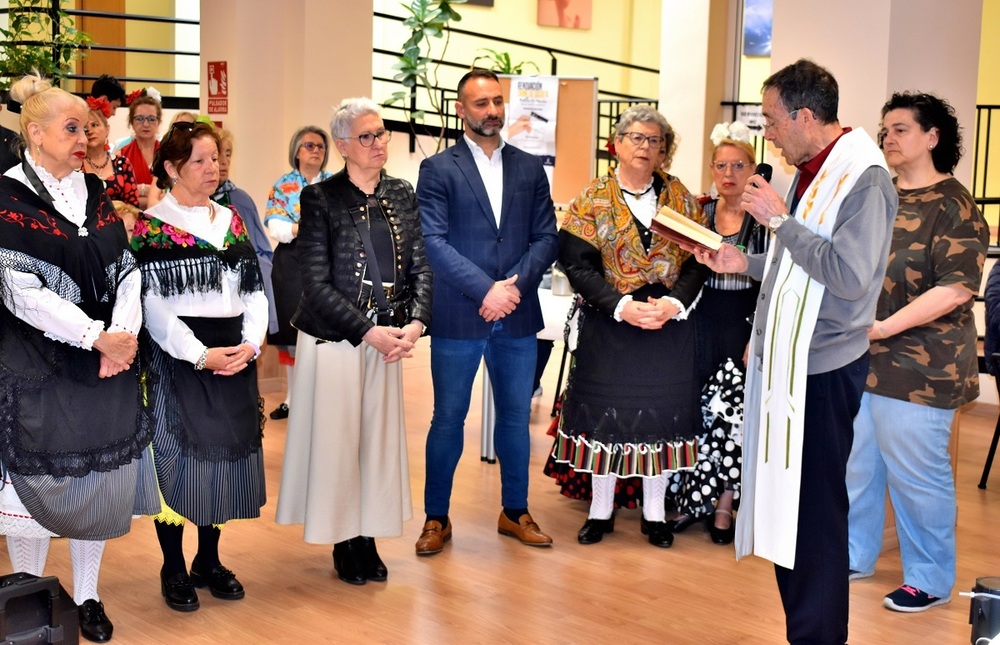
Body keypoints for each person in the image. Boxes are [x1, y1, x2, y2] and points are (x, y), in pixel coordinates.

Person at [689, 59, 897, 644]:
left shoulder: (863, 178)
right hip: (791, 361)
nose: (769, 134)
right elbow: (799, 267)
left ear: (806, 116)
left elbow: (850, 277)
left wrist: (778, 221)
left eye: (774, 120)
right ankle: (804, 631)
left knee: (814, 517)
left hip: (825, 366)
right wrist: (745, 262)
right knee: (793, 512)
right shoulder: (814, 167)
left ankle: (820, 637)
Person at [0, 74, 159, 643]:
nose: (86, 136)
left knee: (95, 487)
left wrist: (122, 335)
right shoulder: (7, 196)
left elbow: (128, 272)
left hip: (104, 370)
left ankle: (88, 596)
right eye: (74, 127)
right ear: (35, 134)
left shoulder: (94, 193)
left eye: (87, 127)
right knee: (32, 489)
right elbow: (20, 292)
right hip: (39, 370)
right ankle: (26, 596)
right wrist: (97, 336)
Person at [275, 98, 432, 585]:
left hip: (390, 339)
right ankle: (345, 539)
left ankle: (369, 533)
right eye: (366, 137)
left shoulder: (403, 193)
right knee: (339, 443)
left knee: (377, 445)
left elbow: (422, 267)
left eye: (381, 134)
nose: (378, 143)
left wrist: (416, 323)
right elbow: (315, 283)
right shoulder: (320, 199)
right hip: (336, 341)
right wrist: (368, 332)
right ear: (342, 146)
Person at [846, 92, 988, 613]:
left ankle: (928, 579)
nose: (889, 137)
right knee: (858, 466)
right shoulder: (880, 195)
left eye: (901, 129)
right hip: (864, 360)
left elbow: (955, 289)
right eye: (885, 129)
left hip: (922, 367)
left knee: (917, 477)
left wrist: (884, 327)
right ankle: (854, 554)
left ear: (932, 138)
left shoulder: (955, 205)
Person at [415, 69, 559, 555]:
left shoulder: (529, 167)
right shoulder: (438, 169)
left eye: (497, 101)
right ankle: (437, 519)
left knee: (516, 420)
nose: (492, 111)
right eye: (481, 103)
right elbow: (432, 241)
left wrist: (511, 288)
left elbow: (547, 236)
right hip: (460, 314)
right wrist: (486, 290)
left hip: (516, 315)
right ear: (461, 109)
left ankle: (514, 511)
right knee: (448, 419)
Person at [550, 105, 707, 547]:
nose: (645, 147)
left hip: (667, 326)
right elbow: (576, 265)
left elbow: (701, 262)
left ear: (664, 150)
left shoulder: (682, 199)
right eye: (637, 138)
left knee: (662, 420)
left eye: (655, 141)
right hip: (610, 324)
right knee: (606, 420)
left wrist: (674, 303)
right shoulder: (592, 198)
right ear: (616, 144)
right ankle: (601, 512)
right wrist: (619, 305)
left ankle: (655, 514)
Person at [132, 121, 267, 612]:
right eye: (200, 161)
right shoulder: (151, 226)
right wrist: (198, 354)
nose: (213, 169)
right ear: (171, 168)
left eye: (216, 159)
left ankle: (207, 559)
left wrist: (251, 343)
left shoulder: (230, 219)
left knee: (223, 458)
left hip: (234, 353)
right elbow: (153, 306)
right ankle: (172, 565)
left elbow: (253, 289)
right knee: (177, 460)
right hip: (181, 356)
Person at [668, 121, 767, 546]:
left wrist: (757, 336)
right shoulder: (699, 212)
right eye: (721, 165)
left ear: (752, 170)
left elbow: (772, 283)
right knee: (695, 411)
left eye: (738, 165)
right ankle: (692, 499)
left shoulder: (765, 220)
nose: (729, 174)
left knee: (732, 419)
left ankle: (724, 504)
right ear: (711, 169)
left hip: (742, 323)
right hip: (699, 320)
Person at [264, 125, 334, 420]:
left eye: (320, 146)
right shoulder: (283, 184)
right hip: (291, 265)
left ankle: (321, 402)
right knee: (293, 337)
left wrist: (303, 228)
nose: (316, 151)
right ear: (296, 151)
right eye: (309, 145)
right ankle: (292, 399)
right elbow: (276, 226)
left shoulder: (334, 184)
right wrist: (303, 228)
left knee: (324, 336)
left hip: (327, 263)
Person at [212, 128, 277, 335]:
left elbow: (262, 255)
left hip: (239, 301)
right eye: (217, 154)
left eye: (228, 153)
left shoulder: (241, 200)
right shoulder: (186, 202)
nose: (223, 161)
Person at [83, 96, 139, 207]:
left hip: (120, 222)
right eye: (84, 127)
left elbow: (133, 206)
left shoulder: (123, 164)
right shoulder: (74, 165)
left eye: (95, 125)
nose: (89, 131)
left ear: (107, 129)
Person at [117, 90, 161, 208]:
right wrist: (149, 192)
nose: (146, 124)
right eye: (140, 119)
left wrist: (137, 190)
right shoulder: (121, 155)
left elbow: (173, 195)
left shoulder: (169, 153)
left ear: (159, 122)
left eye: (151, 119)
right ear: (131, 122)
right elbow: (120, 197)